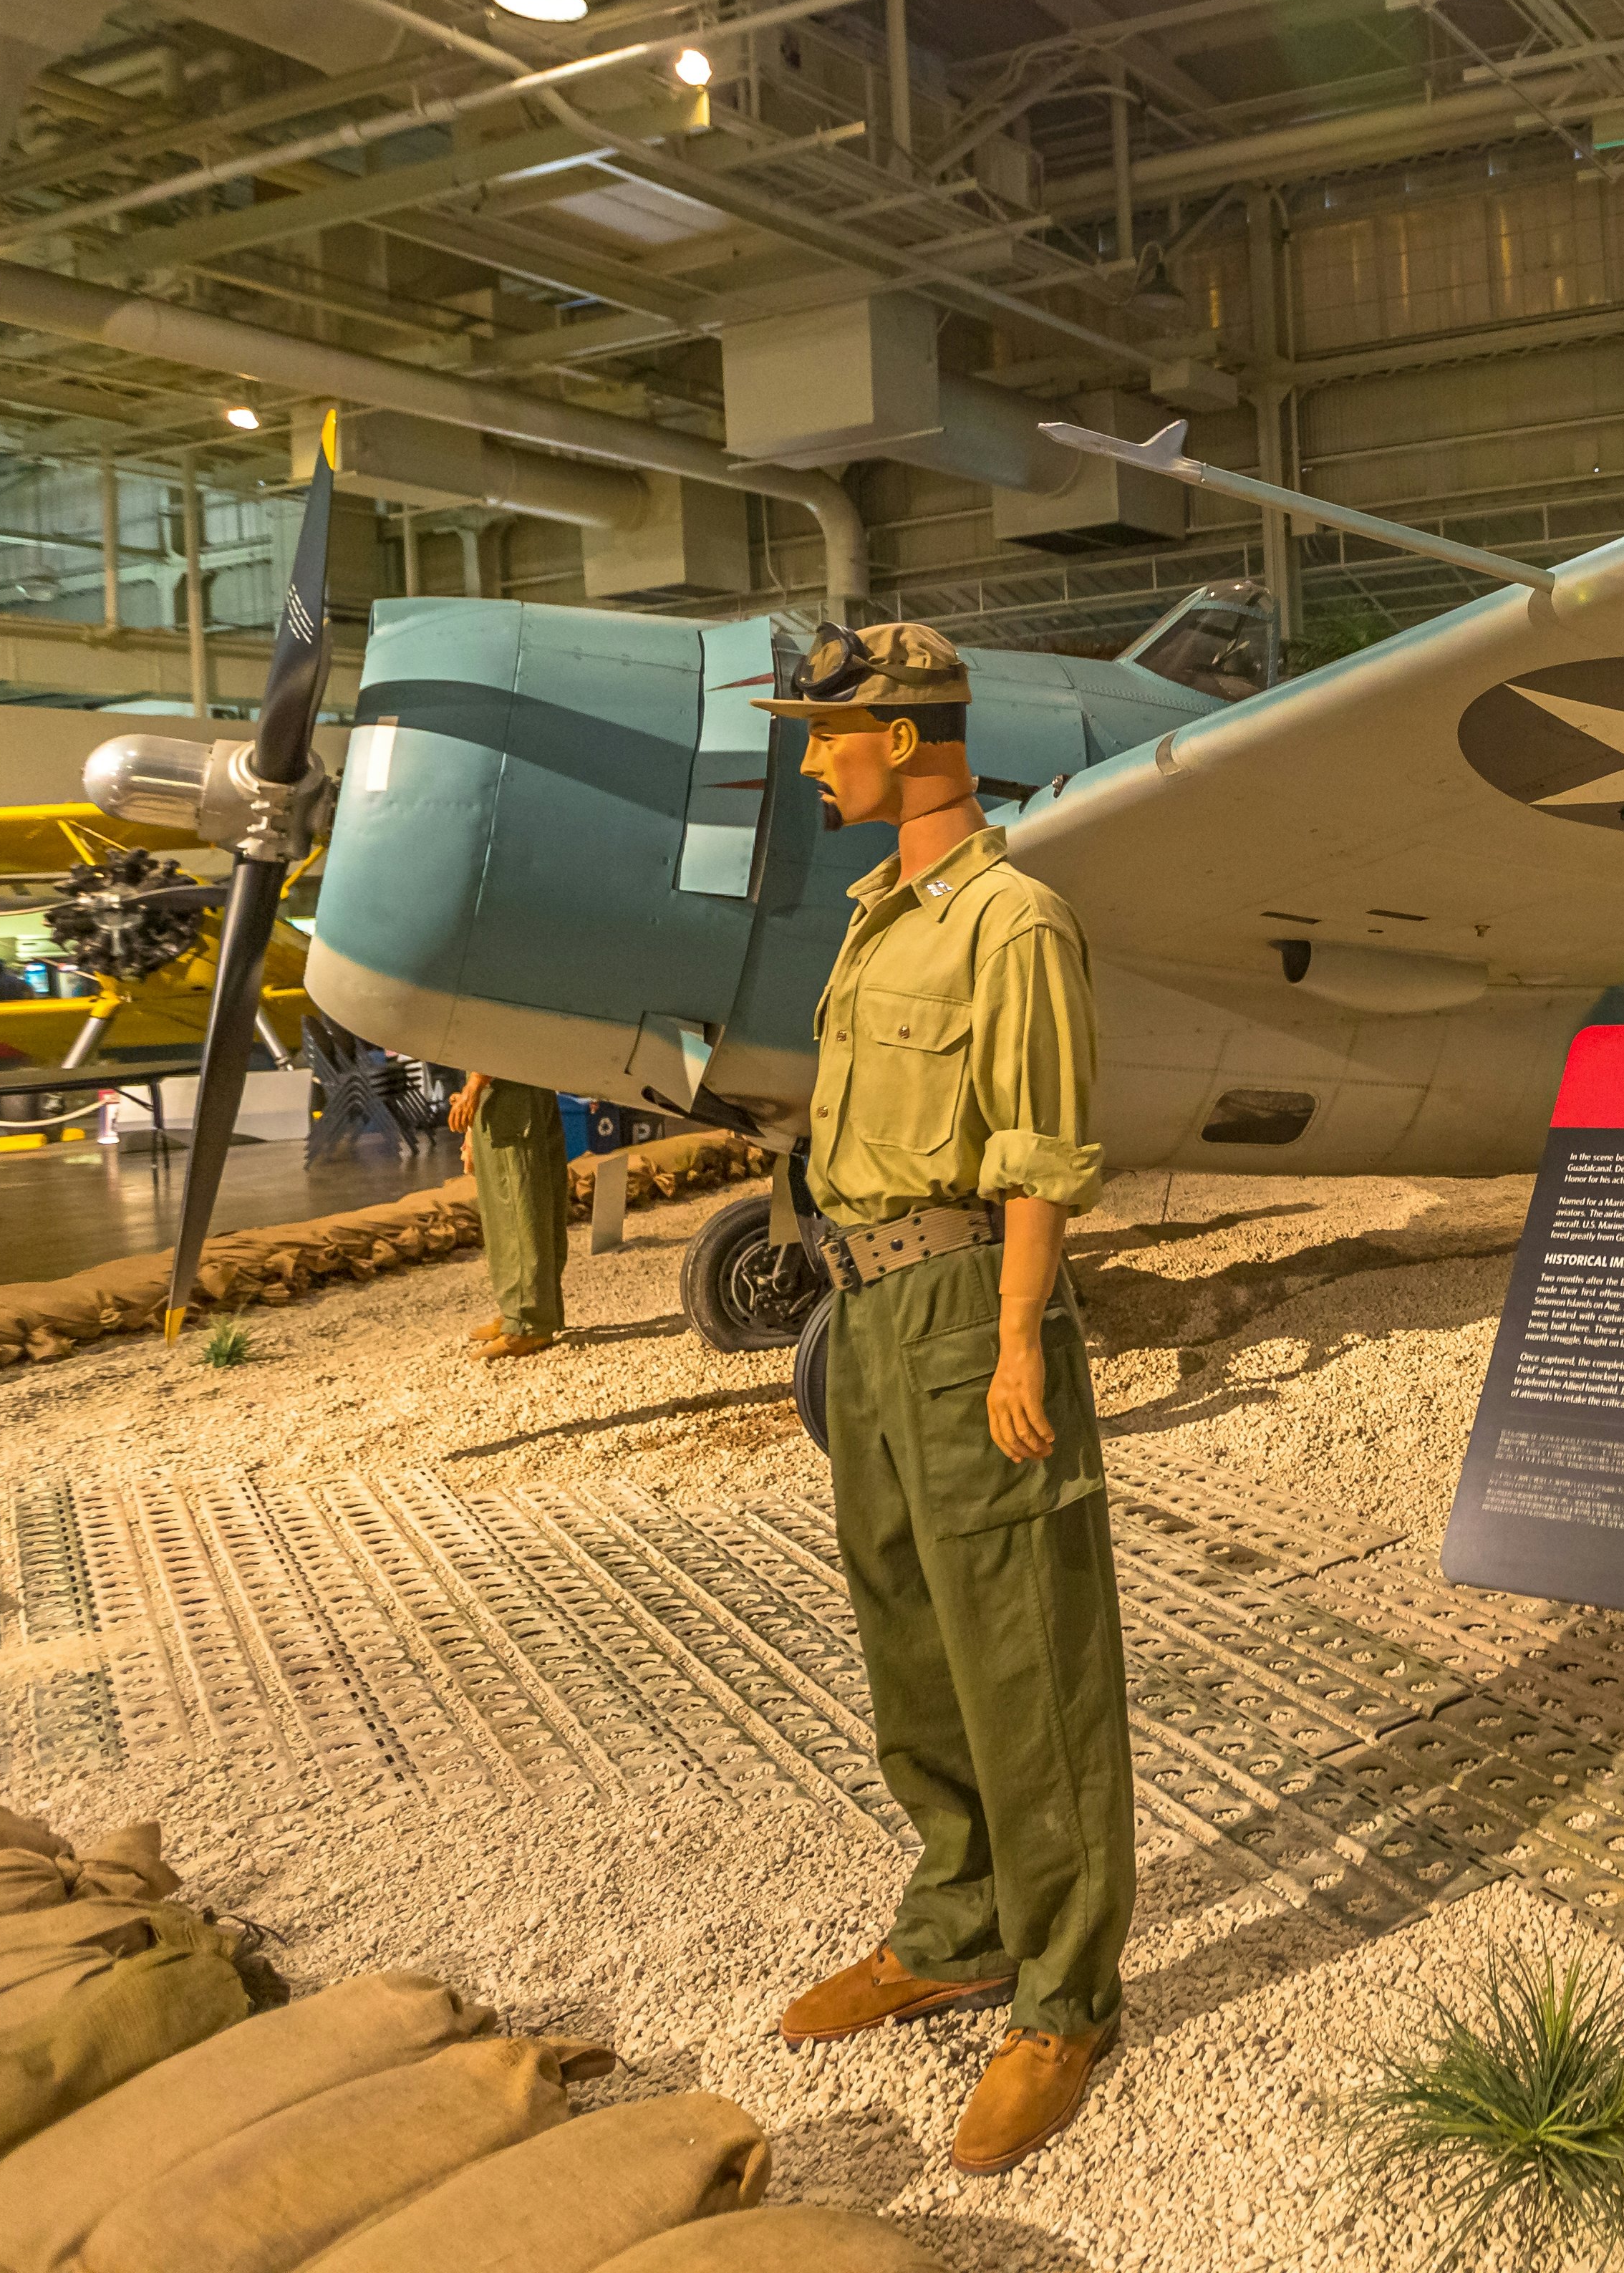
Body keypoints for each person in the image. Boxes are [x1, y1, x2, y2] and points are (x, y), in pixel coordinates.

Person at [755, 619, 1128, 2176]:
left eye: (829, 735)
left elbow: (1040, 1149)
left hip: (970, 1308)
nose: (811, 757)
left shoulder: (1012, 921)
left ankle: (1063, 1996)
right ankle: (961, 1923)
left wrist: (1026, 1337)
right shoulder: (877, 917)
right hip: (870, 1308)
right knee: (909, 1630)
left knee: (1024, 1657)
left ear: (902, 740)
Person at [445, 1072, 566, 1359]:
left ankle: (528, 1324)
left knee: (520, 1212)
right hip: (509, 1091)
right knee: (511, 1210)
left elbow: (495, 1033)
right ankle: (522, 1313)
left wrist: (475, 1083)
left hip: (508, 1093)